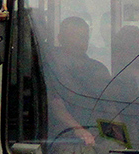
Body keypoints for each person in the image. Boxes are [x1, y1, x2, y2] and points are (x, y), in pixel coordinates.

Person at [47, 16, 110, 146]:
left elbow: (112, 106)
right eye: (74, 36)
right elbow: (55, 104)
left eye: (83, 37)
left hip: (100, 133)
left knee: (123, 151)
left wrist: (121, 135)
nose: (79, 42)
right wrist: (78, 129)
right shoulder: (49, 67)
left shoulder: (98, 69)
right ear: (60, 39)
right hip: (65, 136)